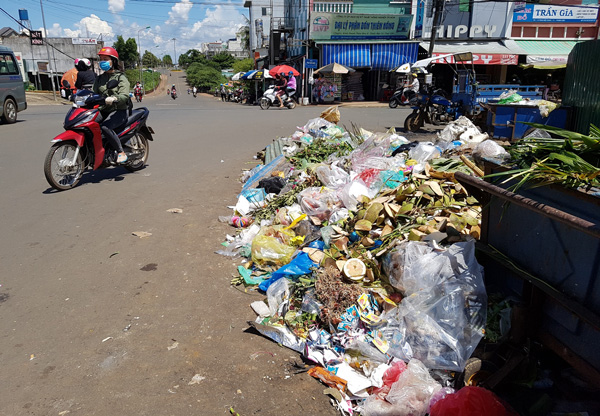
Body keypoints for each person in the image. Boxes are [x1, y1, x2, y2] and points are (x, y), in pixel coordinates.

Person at [93, 46, 130, 164]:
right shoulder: (99, 78)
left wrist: (114, 98)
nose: (102, 62)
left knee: (105, 127)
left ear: (113, 61)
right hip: (104, 109)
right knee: (87, 123)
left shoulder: (120, 77)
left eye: (105, 59)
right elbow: (93, 94)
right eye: (101, 59)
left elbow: (124, 96)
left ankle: (121, 152)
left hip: (118, 110)